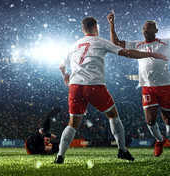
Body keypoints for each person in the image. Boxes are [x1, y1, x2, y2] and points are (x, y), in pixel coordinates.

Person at [55, 16, 168, 164]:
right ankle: (122, 150)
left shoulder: (75, 45)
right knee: (113, 116)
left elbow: (62, 65)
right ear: (96, 28)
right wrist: (152, 54)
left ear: (83, 29)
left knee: (72, 123)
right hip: (94, 85)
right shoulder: (100, 41)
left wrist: (65, 75)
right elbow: (127, 53)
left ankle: (60, 156)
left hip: (75, 86)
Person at [108, 10, 170, 157]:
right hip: (147, 87)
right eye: (143, 27)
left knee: (168, 117)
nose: (145, 29)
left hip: (166, 85)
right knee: (150, 120)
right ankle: (159, 140)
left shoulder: (166, 42)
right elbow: (116, 43)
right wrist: (112, 24)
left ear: (156, 30)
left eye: (148, 27)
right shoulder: (138, 44)